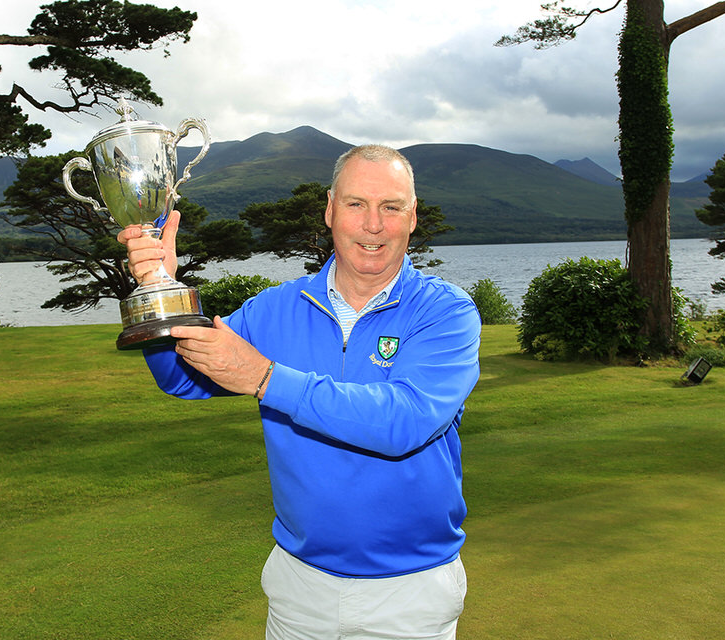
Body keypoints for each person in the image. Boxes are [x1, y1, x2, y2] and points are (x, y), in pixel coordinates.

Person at [118, 145, 481, 639]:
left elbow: (404, 422)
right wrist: (161, 288)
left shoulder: (444, 312)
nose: (372, 225)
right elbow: (183, 378)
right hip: (299, 586)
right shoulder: (276, 308)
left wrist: (266, 378)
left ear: (411, 217)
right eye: (356, 204)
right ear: (330, 210)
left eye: (390, 207)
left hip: (410, 591)